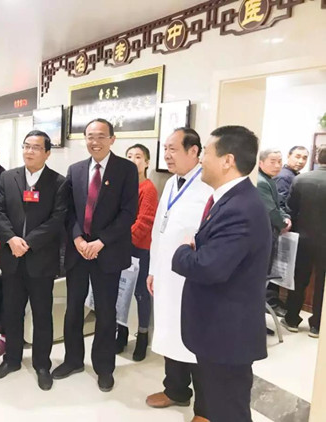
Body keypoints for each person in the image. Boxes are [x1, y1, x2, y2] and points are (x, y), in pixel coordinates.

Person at [171, 125, 272, 422]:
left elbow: (208, 266)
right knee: (218, 407)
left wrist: (182, 251)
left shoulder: (241, 207)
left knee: (229, 411)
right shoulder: (229, 199)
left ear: (227, 160)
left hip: (228, 334)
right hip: (217, 331)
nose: (201, 159)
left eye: (206, 153)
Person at [52, 118, 138, 392]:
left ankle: (104, 367)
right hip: (78, 252)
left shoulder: (126, 169)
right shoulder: (76, 169)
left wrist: (101, 241)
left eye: (101, 136)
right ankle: (73, 360)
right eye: (90, 136)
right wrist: (77, 238)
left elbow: (129, 213)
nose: (95, 141)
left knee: (105, 312)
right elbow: (68, 211)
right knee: (73, 309)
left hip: (108, 252)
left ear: (112, 139)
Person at [0, 130, 68, 391]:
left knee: (43, 314)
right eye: (26, 146)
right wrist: (11, 239)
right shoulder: (8, 177)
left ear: (47, 153)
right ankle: (11, 360)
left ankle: (42, 365)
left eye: (36, 147)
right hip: (12, 258)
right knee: (11, 312)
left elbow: (57, 219)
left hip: (40, 260)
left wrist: (29, 242)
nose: (29, 151)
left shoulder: (58, 182)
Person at [145, 128, 212, 422]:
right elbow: (159, 229)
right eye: (165, 149)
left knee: (195, 340)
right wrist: (153, 270)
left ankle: (205, 409)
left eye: (173, 149)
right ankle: (175, 389)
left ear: (193, 151)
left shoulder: (208, 185)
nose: (167, 155)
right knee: (169, 331)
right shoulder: (172, 182)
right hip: (166, 274)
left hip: (191, 278)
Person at [115, 144, 158, 361]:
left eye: (139, 157)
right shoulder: (123, 187)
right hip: (121, 247)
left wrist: (120, 241)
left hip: (140, 249)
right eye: (129, 156)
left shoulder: (148, 189)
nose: (133, 160)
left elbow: (144, 223)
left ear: (147, 162)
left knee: (140, 293)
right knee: (122, 293)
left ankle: (142, 336)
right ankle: (121, 333)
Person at [282, 145, 326, 338]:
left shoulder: (300, 179)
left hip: (303, 237)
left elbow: (290, 209)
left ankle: (291, 319)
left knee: (299, 279)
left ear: (317, 158)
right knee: (322, 284)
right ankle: (317, 325)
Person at [257, 149, 291, 316]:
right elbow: (270, 210)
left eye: (279, 161)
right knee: (261, 276)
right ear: (261, 162)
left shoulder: (269, 179)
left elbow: (278, 205)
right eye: (272, 161)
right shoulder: (261, 182)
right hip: (263, 236)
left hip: (270, 233)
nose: (277, 165)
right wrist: (282, 223)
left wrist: (285, 217)